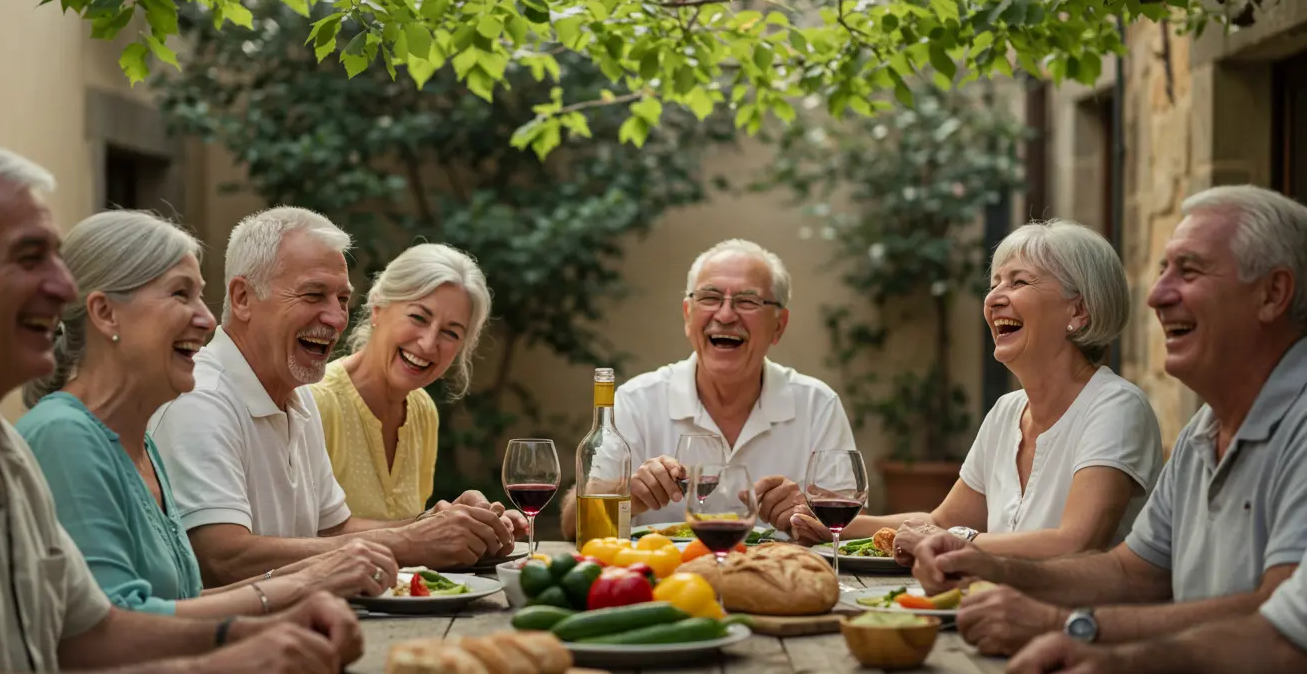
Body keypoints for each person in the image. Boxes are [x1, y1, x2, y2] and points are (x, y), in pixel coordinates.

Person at [0, 141, 360, 674]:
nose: (61, 286)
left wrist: (261, 630)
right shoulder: (14, 440)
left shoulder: (3, 449)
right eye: (29, 257)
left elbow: (91, 632)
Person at [908, 185, 1307, 674]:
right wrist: (992, 567)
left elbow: (1279, 628)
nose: (1156, 295)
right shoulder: (1202, 433)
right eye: (1162, 271)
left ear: (1272, 293)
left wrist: (1071, 628)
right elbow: (1131, 573)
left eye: (1189, 271)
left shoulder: (1296, 426)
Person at [16, 211, 397, 657]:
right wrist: (304, 585)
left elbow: (180, 602)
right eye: (181, 294)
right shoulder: (64, 436)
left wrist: (309, 587)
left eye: (199, 296)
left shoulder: (139, 444)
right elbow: (108, 631)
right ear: (106, 314)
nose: (206, 319)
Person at [150, 208, 518, 586]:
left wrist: (443, 526)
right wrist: (410, 542)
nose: (336, 318)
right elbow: (219, 559)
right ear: (243, 298)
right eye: (313, 294)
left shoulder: (297, 396)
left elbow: (332, 530)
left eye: (342, 299)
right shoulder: (201, 399)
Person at [831, 220, 1162, 560]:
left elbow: (1076, 544)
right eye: (994, 284)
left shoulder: (1116, 407)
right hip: (994, 596)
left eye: (1019, 282)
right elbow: (941, 522)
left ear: (1078, 310)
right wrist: (832, 524)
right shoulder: (1007, 412)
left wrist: (952, 541)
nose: (992, 299)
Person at [559, 239, 857, 538]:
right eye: (710, 298)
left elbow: (849, 526)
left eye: (747, 301)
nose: (725, 316)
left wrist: (809, 516)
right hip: (665, 568)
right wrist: (627, 494)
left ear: (779, 325)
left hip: (779, 567)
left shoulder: (818, 404)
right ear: (687, 315)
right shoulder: (637, 401)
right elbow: (572, 527)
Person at [311, 243, 525, 533]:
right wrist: (432, 526)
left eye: (450, 332)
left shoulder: (423, 411)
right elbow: (305, 533)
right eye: (418, 317)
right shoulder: (316, 402)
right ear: (378, 309)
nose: (428, 343)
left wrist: (471, 522)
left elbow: (411, 531)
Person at [1006, 554, 1307, 674]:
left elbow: (1277, 634)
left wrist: (1065, 624)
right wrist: (1113, 665)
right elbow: (1281, 636)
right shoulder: (1190, 457)